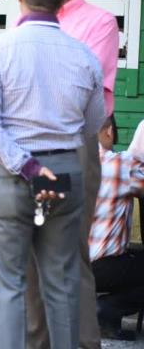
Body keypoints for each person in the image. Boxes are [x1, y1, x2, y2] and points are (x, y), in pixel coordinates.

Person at [0, 0, 105, 349]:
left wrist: (27, 165)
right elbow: (93, 123)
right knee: (62, 282)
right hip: (64, 171)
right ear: (63, 1)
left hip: (15, 173)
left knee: (9, 284)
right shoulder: (84, 56)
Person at [25, 0, 120, 349]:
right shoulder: (24, 18)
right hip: (28, 151)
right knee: (29, 251)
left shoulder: (98, 22)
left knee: (67, 252)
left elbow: (89, 95)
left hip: (72, 148)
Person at [89, 117, 144, 341]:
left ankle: (106, 319)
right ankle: (107, 309)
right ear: (109, 131)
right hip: (100, 266)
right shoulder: (120, 165)